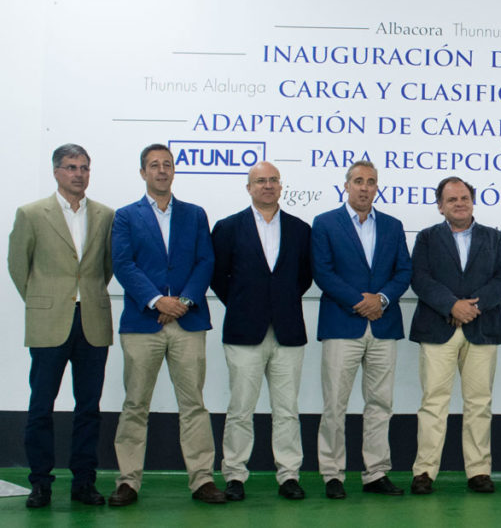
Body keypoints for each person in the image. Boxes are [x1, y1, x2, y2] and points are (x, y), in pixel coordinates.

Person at [108, 143, 224, 505]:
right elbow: (124, 265)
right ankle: (128, 481)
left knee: (194, 404)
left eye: (167, 164)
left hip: (188, 323)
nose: (161, 170)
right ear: (143, 173)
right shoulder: (126, 216)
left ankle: (202, 480)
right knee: (135, 405)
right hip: (143, 323)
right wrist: (159, 301)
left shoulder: (194, 214)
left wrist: (183, 302)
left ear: (174, 171)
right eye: (154, 165)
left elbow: (206, 261)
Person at [8, 144, 114, 508]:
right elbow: (18, 266)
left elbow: (105, 267)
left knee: (89, 408)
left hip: (92, 322)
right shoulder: (32, 213)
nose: (78, 174)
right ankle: (41, 483)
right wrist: (44, 299)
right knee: (41, 407)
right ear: (56, 172)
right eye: (71, 167)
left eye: (84, 167)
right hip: (49, 321)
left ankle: (84, 483)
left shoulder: (105, 215)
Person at [211, 162, 312, 501]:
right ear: (249, 188)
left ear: (281, 186)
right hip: (244, 331)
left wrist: (277, 302)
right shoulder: (227, 228)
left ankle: (288, 475)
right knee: (240, 408)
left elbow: (303, 278)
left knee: (287, 409)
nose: (268, 186)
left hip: (288, 332)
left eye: (273, 180)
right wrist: (244, 304)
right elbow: (218, 276)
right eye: (260, 181)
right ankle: (235, 475)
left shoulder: (300, 229)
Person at [408, 176, 501, 495]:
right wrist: (452, 305)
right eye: (452, 199)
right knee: (433, 403)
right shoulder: (427, 238)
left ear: (472, 201)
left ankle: (479, 471)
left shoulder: (494, 238)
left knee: (479, 403)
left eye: (464, 198)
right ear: (440, 205)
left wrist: (473, 306)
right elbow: (420, 278)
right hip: (438, 328)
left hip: (482, 328)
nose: (459, 203)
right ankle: (424, 471)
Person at [312, 160, 411, 499]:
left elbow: (404, 272)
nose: (364, 187)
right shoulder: (325, 223)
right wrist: (359, 301)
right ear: (346, 185)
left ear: (377, 187)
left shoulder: (393, 226)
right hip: (342, 323)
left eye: (371, 181)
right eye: (358, 181)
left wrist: (381, 299)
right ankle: (332, 474)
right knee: (335, 404)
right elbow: (323, 272)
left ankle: (376, 472)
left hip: (383, 326)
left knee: (380, 403)